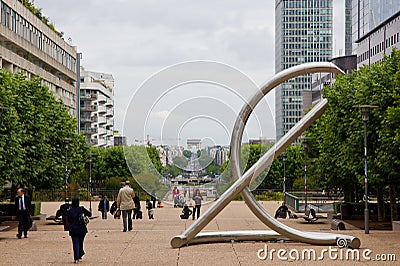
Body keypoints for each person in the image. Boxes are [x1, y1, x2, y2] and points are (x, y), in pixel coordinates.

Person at [67, 198, 91, 263]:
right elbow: (89, 214)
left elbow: (69, 220)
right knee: (80, 242)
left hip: (73, 229)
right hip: (82, 228)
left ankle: (76, 257)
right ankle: (80, 254)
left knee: (75, 243)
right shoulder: (81, 209)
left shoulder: (70, 211)